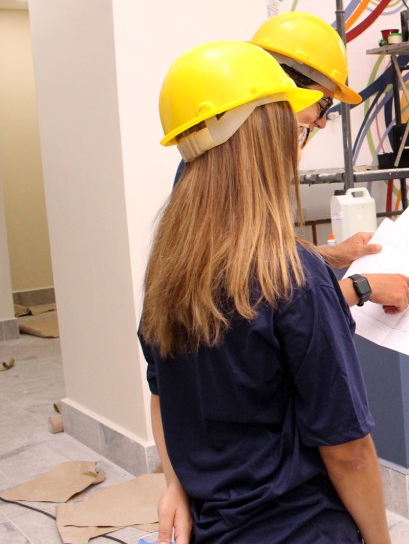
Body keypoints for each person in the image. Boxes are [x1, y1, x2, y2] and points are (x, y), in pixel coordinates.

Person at [140, 41, 392, 544]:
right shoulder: (296, 277)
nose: (303, 140)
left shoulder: (169, 266)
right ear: (267, 141)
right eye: (297, 129)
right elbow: (348, 452)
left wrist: (176, 484)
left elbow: (161, 395)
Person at [250, 11, 409, 312]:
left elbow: (262, 265)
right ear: (287, 88)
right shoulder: (240, 171)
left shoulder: (231, 159)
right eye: (324, 104)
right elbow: (263, 306)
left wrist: (326, 256)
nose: (323, 122)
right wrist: (359, 287)